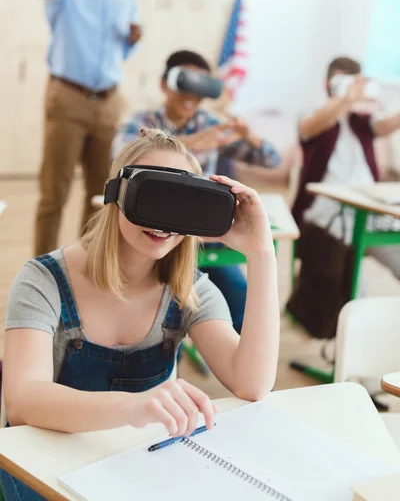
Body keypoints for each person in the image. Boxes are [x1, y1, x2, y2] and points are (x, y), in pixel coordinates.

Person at [0, 129, 279, 501]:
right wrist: (134, 406)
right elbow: (22, 402)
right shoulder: (44, 280)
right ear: (114, 197)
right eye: (152, 197)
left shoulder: (189, 291)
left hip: (136, 469)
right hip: (42, 470)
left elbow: (252, 383)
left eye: (180, 204)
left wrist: (262, 254)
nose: (164, 222)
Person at [112, 50, 280, 333]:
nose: (192, 95)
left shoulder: (211, 124)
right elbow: (119, 157)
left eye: (201, 87)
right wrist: (193, 142)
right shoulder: (140, 121)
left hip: (198, 241)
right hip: (146, 236)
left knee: (240, 300)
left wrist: (251, 138)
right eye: (185, 84)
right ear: (164, 84)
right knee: (160, 314)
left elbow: (271, 161)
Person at [33, 0, 141, 257]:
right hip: (68, 98)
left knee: (102, 195)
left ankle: (85, 269)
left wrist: (131, 41)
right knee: (54, 193)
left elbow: (118, 52)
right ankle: (42, 273)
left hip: (109, 103)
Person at [292, 55, 400, 280]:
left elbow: (386, 125)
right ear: (326, 84)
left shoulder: (363, 121)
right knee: (347, 284)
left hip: (369, 209)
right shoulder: (311, 115)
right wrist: (345, 100)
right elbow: (313, 126)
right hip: (325, 211)